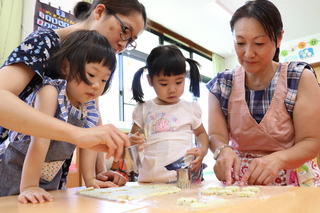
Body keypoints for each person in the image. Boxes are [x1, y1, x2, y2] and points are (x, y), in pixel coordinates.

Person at [0, 0, 147, 164]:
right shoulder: (44, 42)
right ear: (99, 12)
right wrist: (77, 134)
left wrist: (99, 175)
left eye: (130, 41)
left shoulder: (90, 61)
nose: (123, 44)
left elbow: (94, 123)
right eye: (125, 31)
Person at [0, 30, 127, 202]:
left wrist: (90, 180)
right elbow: (40, 140)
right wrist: (29, 186)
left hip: (51, 177)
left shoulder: (88, 105)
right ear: (65, 67)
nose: (97, 85)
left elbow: (89, 144)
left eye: (104, 80)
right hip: (17, 170)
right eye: (91, 75)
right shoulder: (51, 92)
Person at [206, 0, 320, 187]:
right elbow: (216, 136)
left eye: (259, 43)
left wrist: (278, 160)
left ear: (279, 38)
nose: (248, 53)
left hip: (294, 181)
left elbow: (310, 142)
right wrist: (222, 150)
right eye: (240, 42)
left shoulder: (298, 78)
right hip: (241, 183)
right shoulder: (222, 84)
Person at [129, 45, 209, 183]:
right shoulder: (143, 108)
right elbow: (132, 142)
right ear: (150, 81)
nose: (172, 89)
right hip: (149, 179)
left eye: (179, 82)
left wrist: (203, 150)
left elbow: (201, 133)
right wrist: (131, 141)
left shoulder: (190, 108)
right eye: (164, 84)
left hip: (183, 180)